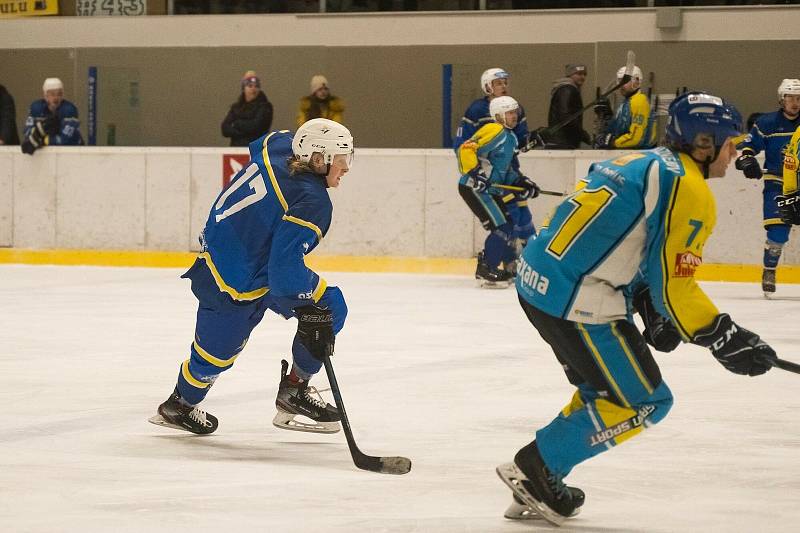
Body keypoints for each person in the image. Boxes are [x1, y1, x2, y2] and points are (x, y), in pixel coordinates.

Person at [496, 92, 776, 526]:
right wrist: (723, 335)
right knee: (643, 400)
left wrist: (646, 301)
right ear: (706, 142)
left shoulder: (644, 161)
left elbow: (625, 237)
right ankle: (537, 466)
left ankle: (541, 475)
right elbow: (675, 287)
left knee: (607, 388)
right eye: (729, 142)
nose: (734, 152)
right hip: (577, 299)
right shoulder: (689, 187)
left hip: (539, 282)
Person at [149, 118, 354, 436]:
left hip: (232, 249)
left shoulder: (282, 144)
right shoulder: (314, 202)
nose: (346, 167)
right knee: (213, 356)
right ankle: (180, 405)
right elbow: (284, 272)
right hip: (235, 280)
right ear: (317, 159)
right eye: (341, 160)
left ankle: (294, 391)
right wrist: (309, 311)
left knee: (331, 306)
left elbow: (259, 144)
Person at [456, 96, 539, 287]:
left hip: (487, 190)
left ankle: (489, 266)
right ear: (499, 115)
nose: (514, 116)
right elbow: (465, 149)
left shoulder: (509, 137)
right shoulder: (494, 130)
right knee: (503, 226)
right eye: (509, 113)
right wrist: (476, 174)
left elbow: (504, 170)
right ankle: (486, 268)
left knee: (506, 225)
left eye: (515, 112)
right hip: (473, 187)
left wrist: (522, 182)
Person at [735, 79, 800, 297]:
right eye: (790, 97)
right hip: (778, 183)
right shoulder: (767, 123)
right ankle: (769, 270)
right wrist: (747, 159)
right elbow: (748, 145)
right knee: (778, 231)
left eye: (798, 98)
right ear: (782, 100)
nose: (795, 102)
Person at [454, 67, 529, 151]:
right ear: (487, 87)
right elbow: (462, 142)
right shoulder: (477, 109)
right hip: (483, 162)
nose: (504, 86)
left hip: (509, 162)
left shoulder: (516, 107)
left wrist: (533, 138)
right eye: (499, 83)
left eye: (505, 83)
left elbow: (522, 140)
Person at [594, 65, 656, 150]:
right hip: (628, 153)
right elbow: (618, 131)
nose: (621, 85)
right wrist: (606, 124)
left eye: (625, 81)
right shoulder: (626, 102)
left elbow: (635, 138)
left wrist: (613, 142)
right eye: (620, 81)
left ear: (637, 81)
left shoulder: (639, 101)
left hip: (640, 155)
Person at [21, 78, 83, 155]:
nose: (56, 98)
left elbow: (65, 140)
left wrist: (42, 140)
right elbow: (27, 132)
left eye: (59, 94)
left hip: (73, 152)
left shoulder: (69, 109)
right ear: (45, 95)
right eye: (52, 94)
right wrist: (38, 131)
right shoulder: (36, 108)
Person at [221, 70, 274, 147]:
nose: (253, 89)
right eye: (250, 86)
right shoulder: (236, 107)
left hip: (256, 150)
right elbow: (225, 129)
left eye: (256, 86)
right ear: (244, 88)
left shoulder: (265, 107)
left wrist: (236, 124)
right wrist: (245, 130)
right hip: (236, 150)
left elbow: (256, 126)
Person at [544, 63, 592, 149]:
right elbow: (565, 117)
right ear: (570, 75)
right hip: (563, 142)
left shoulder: (564, 89)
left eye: (584, 74)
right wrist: (582, 134)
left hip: (559, 141)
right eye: (579, 74)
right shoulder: (568, 90)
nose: (582, 77)